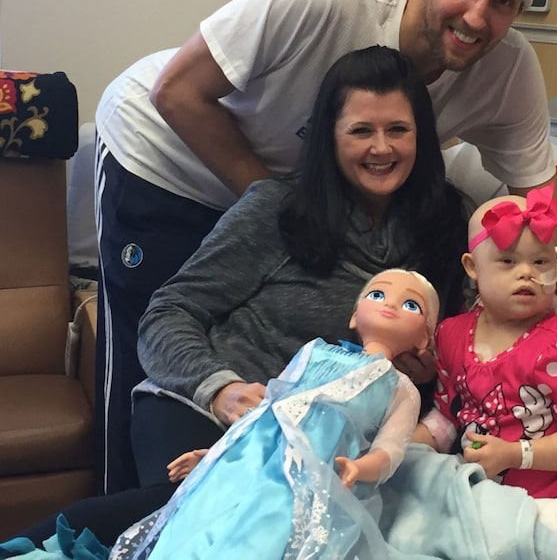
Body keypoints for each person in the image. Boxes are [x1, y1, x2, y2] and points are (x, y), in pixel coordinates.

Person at [95, 0, 557, 491]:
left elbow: (543, 206)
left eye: (503, 2)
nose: (479, 17)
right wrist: (291, 210)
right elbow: (177, 91)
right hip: (167, 152)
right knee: (160, 353)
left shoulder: (505, 74)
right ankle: (120, 514)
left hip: (294, 209)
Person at [8, 47, 468, 551]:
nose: (381, 148)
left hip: (323, 442)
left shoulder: (446, 229)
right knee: (204, 508)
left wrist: (427, 375)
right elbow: (168, 313)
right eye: (361, 130)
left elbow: (465, 358)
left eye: (398, 130)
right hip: (205, 406)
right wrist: (219, 388)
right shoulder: (279, 210)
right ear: (329, 137)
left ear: (421, 136)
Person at [108, 270, 439, 560]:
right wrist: (214, 456)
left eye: (411, 305)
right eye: (377, 294)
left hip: (315, 481)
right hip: (254, 460)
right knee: (199, 526)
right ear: (354, 315)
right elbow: (269, 412)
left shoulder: (401, 388)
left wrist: (359, 468)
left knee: (265, 538)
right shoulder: (313, 352)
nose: (390, 305)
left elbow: (391, 450)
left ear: (424, 337)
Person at [412, 187, 557, 535]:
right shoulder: (451, 334)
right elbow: (448, 414)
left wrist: (517, 454)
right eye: (508, 261)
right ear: (472, 267)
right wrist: (404, 449)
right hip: (481, 499)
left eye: (540, 261)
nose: (526, 273)